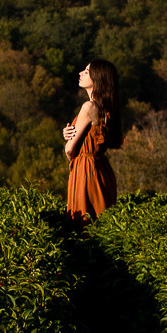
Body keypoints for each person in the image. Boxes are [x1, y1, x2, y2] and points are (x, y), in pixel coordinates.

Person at [62, 58, 121, 223]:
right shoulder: (107, 107)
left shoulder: (89, 107)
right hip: (101, 168)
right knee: (102, 223)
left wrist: (73, 161)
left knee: (83, 223)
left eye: (87, 72)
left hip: (85, 169)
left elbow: (69, 149)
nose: (81, 73)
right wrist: (69, 134)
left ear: (97, 79)